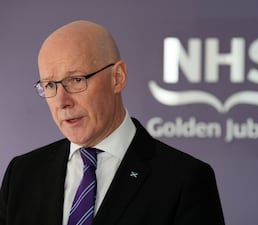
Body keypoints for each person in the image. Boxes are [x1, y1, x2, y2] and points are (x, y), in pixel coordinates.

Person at [0, 20, 225, 225]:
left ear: (117, 77)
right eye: (50, 85)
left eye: (76, 80)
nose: (62, 101)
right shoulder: (21, 174)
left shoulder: (184, 180)